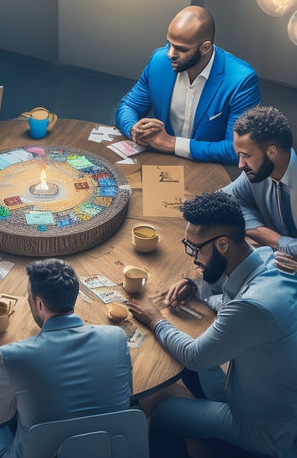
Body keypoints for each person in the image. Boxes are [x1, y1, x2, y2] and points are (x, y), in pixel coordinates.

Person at [127, 191, 297, 458]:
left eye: (195, 248)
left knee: (162, 414)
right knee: (184, 359)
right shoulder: (268, 258)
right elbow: (226, 284)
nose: (193, 257)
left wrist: (155, 319)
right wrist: (195, 284)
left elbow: (195, 357)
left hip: (268, 432)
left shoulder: (251, 307)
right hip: (276, 400)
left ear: (222, 245)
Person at [0, 258, 132, 458]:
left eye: (29, 297)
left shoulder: (11, 356)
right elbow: (127, 396)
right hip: (107, 450)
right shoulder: (117, 337)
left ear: (39, 303)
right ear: (74, 297)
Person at [115, 6, 260, 165]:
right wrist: (133, 129)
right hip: (161, 161)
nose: (170, 54)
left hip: (208, 169)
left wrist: (172, 143)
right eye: (169, 44)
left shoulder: (242, 80)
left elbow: (238, 149)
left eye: (180, 49)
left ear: (205, 48)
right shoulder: (159, 61)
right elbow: (128, 106)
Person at [224, 106, 297, 274]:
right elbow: (224, 202)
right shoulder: (259, 173)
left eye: (246, 156)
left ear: (272, 151)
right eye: (239, 155)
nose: (240, 165)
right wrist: (278, 241)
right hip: (272, 264)